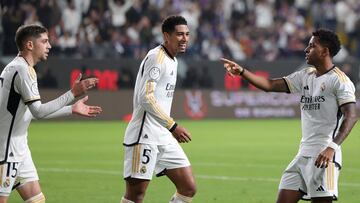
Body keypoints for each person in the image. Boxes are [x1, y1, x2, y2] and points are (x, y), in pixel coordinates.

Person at [221, 28, 357, 203]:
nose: (306, 50)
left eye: (312, 46)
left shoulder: (340, 80)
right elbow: (269, 85)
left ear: (325, 51)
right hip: (302, 155)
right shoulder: (305, 75)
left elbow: (351, 116)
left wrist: (332, 147)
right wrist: (242, 72)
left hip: (324, 156)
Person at [0, 24, 102, 203]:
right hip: (6, 149)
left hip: (18, 147)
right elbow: (39, 112)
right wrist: (72, 94)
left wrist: (71, 109)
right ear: (30, 45)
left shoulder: (17, 67)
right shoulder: (23, 70)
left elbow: (30, 113)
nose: (49, 46)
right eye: (45, 41)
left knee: (37, 200)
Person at [120, 16, 196, 203]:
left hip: (163, 134)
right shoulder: (157, 57)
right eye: (179, 34)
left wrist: (168, 128)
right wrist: (172, 125)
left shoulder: (173, 60)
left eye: (187, 34)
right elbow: (146, 97)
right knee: (136, 195)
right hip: (144, 135)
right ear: (166, 36)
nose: (184, 38)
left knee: (188, 188)